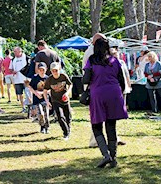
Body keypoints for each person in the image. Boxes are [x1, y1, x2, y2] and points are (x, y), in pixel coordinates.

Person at [83, 38, 128, 168]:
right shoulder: (115, 61)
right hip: (114, 93)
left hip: (98, 94)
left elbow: (86, 79)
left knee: (96, 126)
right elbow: (122, 80)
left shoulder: (91, 60)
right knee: (111, 125)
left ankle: (106, 155)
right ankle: (113, 158)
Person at [44, 62, 72, 140]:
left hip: (65, 100)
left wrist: (67, 93)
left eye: (56, 70)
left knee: (68, 117)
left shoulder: (63, 76)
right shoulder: (49, 79)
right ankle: (66, 133)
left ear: (59, 69)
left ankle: (68, 129)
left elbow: (70, 84)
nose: (55, 72)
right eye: (53, 71)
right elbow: (45, 91)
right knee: (60, 116)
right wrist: (47, 101)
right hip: (55, 100)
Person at [26, 62, 49, 133]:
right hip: (37, 99)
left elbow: (50, 89)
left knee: (46, 114)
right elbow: (30, 86)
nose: (42, 71)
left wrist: (42, 93)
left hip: (45, 99)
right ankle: (42, 126)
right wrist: (36, 93)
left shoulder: (47, 78)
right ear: (38, 70)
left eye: (43, 70)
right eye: (40, 70)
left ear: (46, 69)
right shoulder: (35, 78)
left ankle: (47, 127)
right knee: (40, 113)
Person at [10, 47, 28, 113]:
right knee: (20, 94)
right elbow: (10, 68)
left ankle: (30, 107)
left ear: (20, 51)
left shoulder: (26, 58)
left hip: (26, 79)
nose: (14, 53)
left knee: (28, 94)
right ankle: (23, 107)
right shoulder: (13, 60)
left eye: (15, 51)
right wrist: (13, 71)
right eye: (14, 51)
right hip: (17, 79)